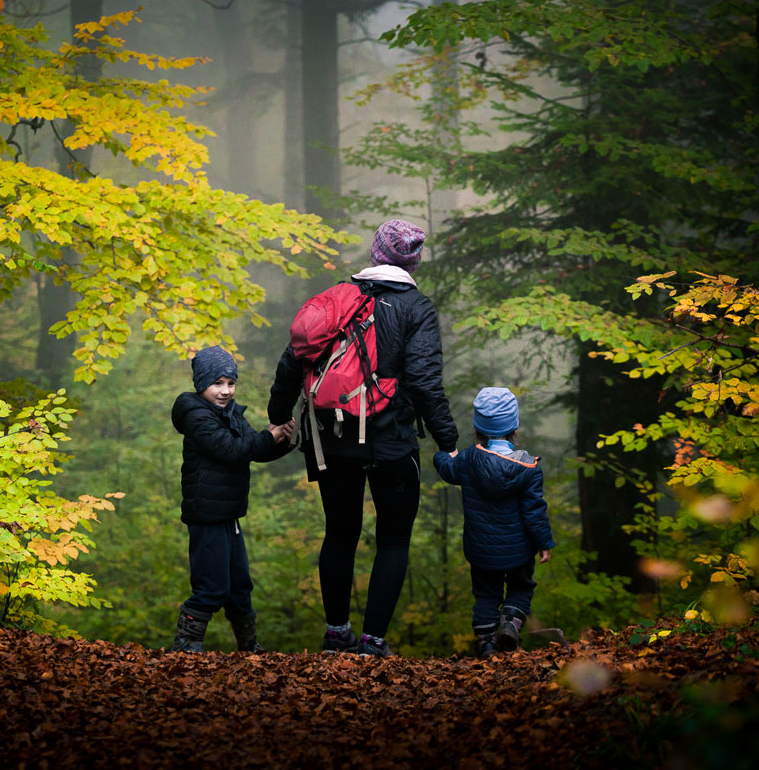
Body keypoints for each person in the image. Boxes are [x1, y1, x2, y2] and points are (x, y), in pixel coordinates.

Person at [268, 220, 459, 657]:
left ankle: (337, 633)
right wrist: (447, 441)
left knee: (339, 531)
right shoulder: (416, 307)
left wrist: (279, 415)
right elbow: (426, 382)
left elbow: (292, 361)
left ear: (375, 252)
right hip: (391, 441)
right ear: (414, 259)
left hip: (332, 437)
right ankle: (372, 642)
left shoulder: (337, 298)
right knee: (393, 538)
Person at [171, 345, 295, 653]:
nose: (226, 391)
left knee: (240, 588)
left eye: (230, 383)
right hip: (207, 515)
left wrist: (285, 439)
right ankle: (185, 649)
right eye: (218, 384)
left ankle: (249, 649)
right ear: (201, 384)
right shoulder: (197, 417)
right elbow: (233, 450)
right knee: (211, 587)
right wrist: (268, 436)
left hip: (229, 514)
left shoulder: (231, 414)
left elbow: (254, 449)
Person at [433, 387, 555, 656]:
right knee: (521, 586)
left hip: (481, 550)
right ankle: (511, 622)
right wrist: (544, 542)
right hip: (519, 550)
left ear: (478, 427)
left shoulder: (466, 460)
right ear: (514, 427)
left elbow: (446, 469)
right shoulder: (528, 468)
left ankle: (487, 643)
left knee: (486, 595)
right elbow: (535, 512)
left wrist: (441, 455)